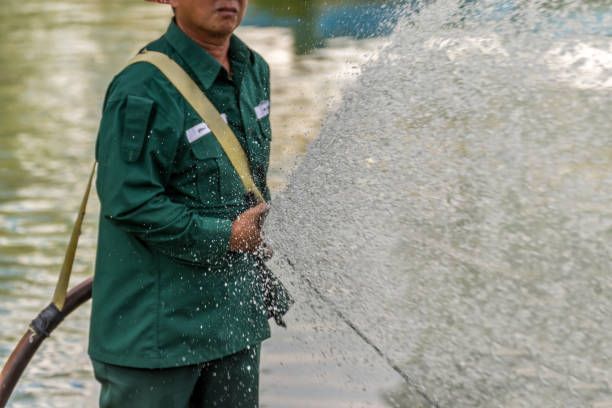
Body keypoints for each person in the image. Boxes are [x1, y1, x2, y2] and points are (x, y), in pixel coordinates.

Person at [88, 0, 281, 406]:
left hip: (235, 327)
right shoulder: (141, 87)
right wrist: (228, 235)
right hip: (159, 339)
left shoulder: (254, 70)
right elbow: (130, 204)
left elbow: (249, 184)